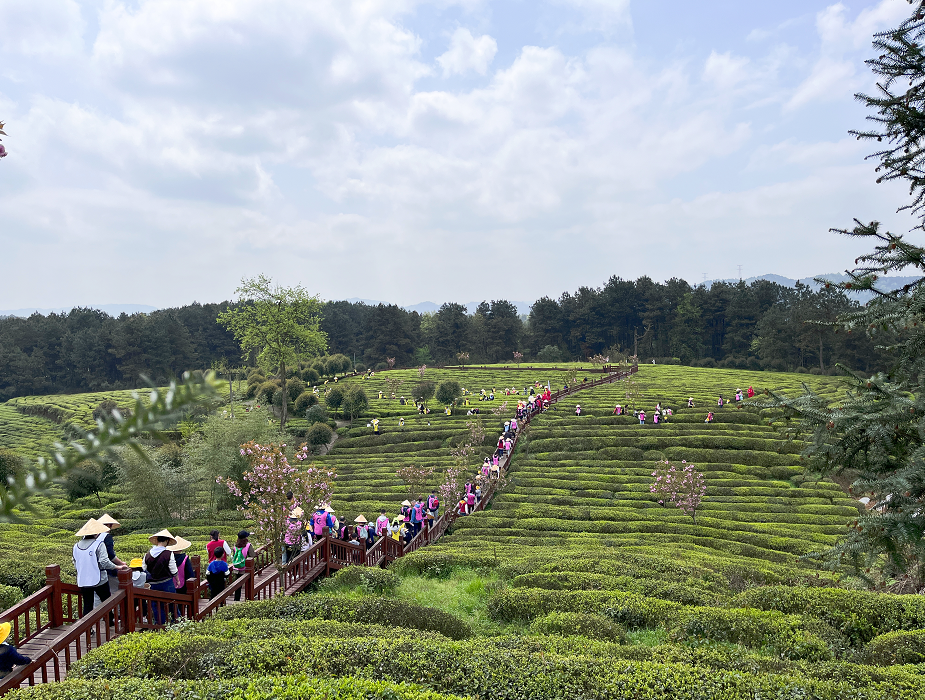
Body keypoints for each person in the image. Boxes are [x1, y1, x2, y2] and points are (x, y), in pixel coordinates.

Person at [72, 518, 120, 618]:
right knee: (107, 602)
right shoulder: (99, 544)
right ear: (96, 532)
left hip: (83, 580)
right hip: (99, 579)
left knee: (87, 605)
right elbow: (104, 562)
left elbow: (75, 561)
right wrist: (117, 567)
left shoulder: (76, 546)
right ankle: (110, 623)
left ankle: (87, 629)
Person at [144, 529, 179, 624]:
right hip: (166, 583)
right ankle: (176, 623)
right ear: (167, 541)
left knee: (156, 606)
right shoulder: (168, 553)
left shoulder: (147, 554)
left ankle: (160, 625)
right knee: (172, 604)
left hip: (153, 584)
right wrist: (177, 580)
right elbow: (173, 569)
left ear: (157, 540)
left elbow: (144, 568)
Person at [96, 514, 127, 595]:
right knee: (113, 592)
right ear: (108, 525)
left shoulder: (92, 536)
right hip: (106, 570)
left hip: (93, 571)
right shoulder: (106, 536)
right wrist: (121, 564)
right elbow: (110, 555)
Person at [230, 530, 253, 602]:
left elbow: (234, 556)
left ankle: (236, 599)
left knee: (238, 585)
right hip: (245, 568)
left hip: (236, 568)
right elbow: (252, 555)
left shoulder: (235, 546)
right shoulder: (248, 545)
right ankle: (249, 597)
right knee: (248, 583)